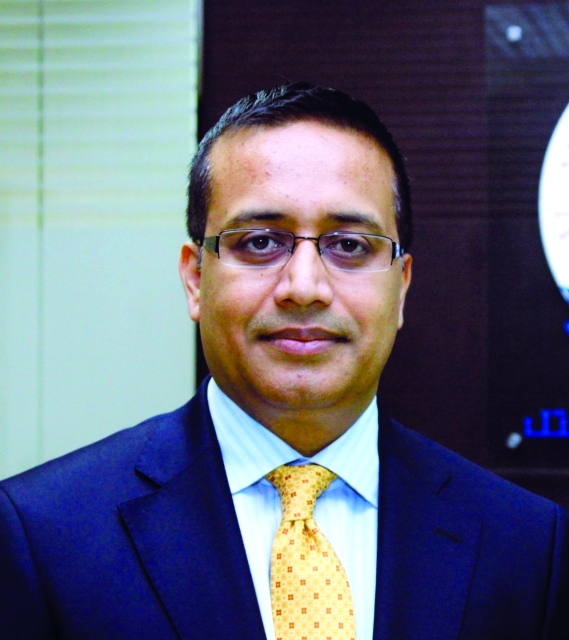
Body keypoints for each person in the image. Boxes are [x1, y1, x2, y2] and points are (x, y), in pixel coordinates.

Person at [0, 83, 567, 640]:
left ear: (401, 287)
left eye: (349, 245)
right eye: (260, 242)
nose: (304, 287)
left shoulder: (528, 548)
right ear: (196, 279)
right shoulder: (42, 536)